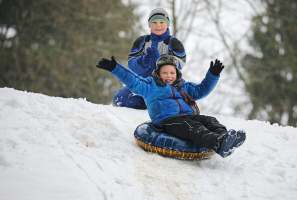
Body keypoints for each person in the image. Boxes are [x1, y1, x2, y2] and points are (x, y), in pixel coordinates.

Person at [96, 55, 246, 158]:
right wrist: (115, 68)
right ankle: (218, 143)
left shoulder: (184, 86)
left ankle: (225, 138)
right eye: (164, 72)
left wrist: (213, 74)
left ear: (177, 73)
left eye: (172, 72)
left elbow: (202, 90)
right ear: (158, 73)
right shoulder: (150, 85)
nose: (168, 76)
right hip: (168, 120)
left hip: (188, 115)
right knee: (192, 126)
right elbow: (133, 80)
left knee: (210, 120)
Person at [113, 8, 186, 110]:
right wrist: (143, 61)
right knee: (119, 99)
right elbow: (131, 64)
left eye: (161, 22)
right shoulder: (141, 41)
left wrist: (159, 61)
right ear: (149, 25)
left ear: (167, 24)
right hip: (142, 84)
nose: (158, 25)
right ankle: (146, 103)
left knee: (173, 103)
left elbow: (179, 64)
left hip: (165, 86)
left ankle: (162, 103)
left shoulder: (174, 43)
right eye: (154, 22)